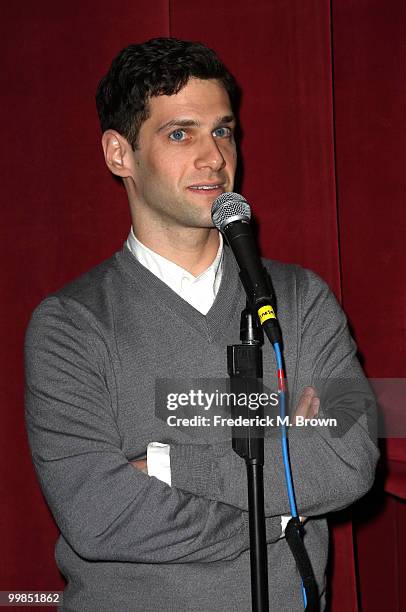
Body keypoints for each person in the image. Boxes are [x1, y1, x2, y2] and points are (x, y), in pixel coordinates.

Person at [24, 38, 378, 611]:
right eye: (180, 133)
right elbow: (101, 517)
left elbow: (350, 462)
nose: (214, 157)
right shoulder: (68, 325)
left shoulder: (302, 298)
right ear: (119, 154)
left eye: (223, 130)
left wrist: (168, 463)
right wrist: (287, 507)